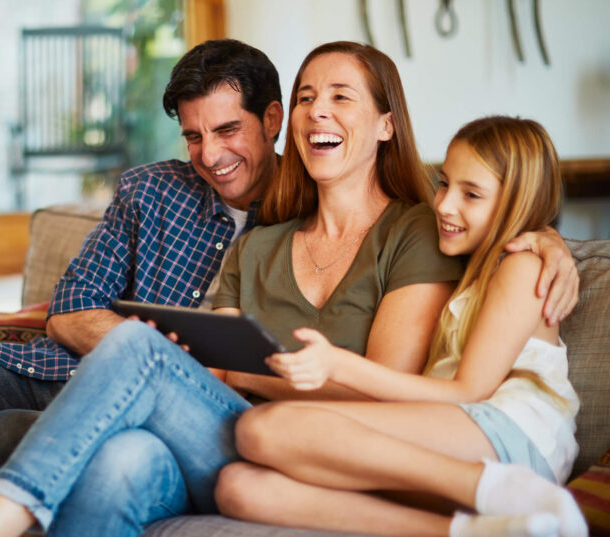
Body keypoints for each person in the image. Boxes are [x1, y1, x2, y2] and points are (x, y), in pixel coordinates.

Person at [0, 40, 575, 537]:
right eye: (309, 95)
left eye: (339, 97)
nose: (316, 111)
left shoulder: (417, 227)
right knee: (116, 455)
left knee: (115, 398)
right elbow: (188, 351)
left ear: (384, 124)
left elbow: (490, 203)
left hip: (271, 430)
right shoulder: (257, 236)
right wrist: (210, 362)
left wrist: (543, 237)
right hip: (196, 414)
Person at [214, 115, 586, 537]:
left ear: (515, 204)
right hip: (460, 433)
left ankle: (506, 491)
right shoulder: (467, 262)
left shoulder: (523, 266)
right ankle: (473, 531)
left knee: (264, 429)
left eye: (472, 194)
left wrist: (338, 365)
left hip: (514, 436)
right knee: (239, 488)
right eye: (444, 183)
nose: (444, 204)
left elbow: (468, 391)